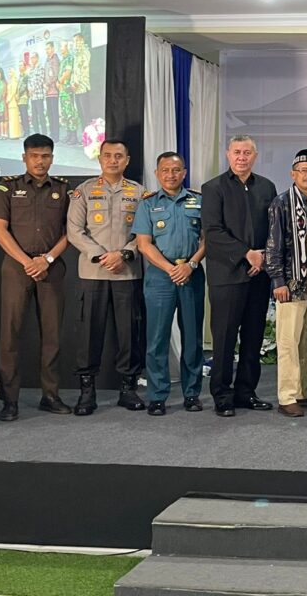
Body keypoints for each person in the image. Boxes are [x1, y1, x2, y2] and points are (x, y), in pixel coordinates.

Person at [0, 134, 73, 421]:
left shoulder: (63, 189)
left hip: (51, 267)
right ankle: (10, 400)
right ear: (24, 158)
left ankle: (51, 395)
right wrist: (28, 262)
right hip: (16, 266)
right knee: (10, 334)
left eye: (45, 156)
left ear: (52, 158)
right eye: (34, 156)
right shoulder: (7, 187)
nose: (40, 161)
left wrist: (46, 260)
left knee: (52, 334)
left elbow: (70, 232)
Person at [67, 139, 146, 415]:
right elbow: (74, 230)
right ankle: (87, 393)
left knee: (129, 334)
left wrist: (124, 254)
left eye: (119, 156)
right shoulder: (84, 191)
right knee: (89, 333)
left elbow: (145, 233)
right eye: (108, 155)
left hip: (127, 273)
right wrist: (102, 256)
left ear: (127, 160)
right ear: (100, 159)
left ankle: (128, 389)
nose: (113, 160)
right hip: (93, 273)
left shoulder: (139, 192)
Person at [201, 135, 277, 417]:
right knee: (224, 338)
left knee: (253, 337)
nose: (241, 157)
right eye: (237, 152)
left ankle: (246, 392)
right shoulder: (213, 188)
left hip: (259, 275)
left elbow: (274, 228)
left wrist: (263, 256)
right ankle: (222, 394)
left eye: (247, 152)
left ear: (255, 156)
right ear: (228, 154)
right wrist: (247, 254)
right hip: (227, 275)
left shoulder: (267, 187)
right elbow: (213, 231)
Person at [132, 152, 206, 416]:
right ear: (157, 173)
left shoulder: (199, 201)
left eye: (176, 170)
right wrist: (171, 269)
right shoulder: (148, 204)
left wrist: (191, 265)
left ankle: (192, 394)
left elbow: (207, 239)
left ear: (184, 172)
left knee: (193, 338)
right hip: (160, 278)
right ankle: (157, 396)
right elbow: (144, 244)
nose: (171, 175)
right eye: (165, 170)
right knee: (157, 339)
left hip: (192, 274)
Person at [266, 149, 307, 417]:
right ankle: (287, 396)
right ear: (293, 174)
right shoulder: (281, 203)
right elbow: (273, 245)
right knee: (288, 344)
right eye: (304, 171)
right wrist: (278, 280)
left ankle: (305, 390)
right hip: (290, 287)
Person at [58, 41, 80, 145]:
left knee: (70, 113)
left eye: (62, 47)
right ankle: (68, 134)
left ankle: (74, 136)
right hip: (62, 91)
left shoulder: (69, 58)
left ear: (66, 47)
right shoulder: (62, 60)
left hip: (67, 90)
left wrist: (59, 81)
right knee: (64, 113)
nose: (60, 49)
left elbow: (67, 72)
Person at [71, 32, 92, 131]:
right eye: (74, 41)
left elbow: (83, 69)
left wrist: (76, 83)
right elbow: (74, 71)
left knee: (86, 113)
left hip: (83, 87)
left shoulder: (85, 52)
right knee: (80, 114)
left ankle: (90, 135)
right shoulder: (76, 54)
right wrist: (72, 83)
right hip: (76, 89)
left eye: (77, 41)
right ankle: (85, 135)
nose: (75, 43)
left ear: (82, 40)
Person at [43, 41, 61, 137]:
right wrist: (44, 84)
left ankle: (56, 135)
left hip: (54, 91)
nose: (47, 50)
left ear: (53, 49)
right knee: (50, 114)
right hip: (47, 92)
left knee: (54, 114)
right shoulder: (46, 60)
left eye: (48, 48)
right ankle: (52, 133)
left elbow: (55, 74)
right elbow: (45, 75)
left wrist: (48, 84)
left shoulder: (55, 59)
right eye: (46, 49)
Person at [27, 52, 47, 135]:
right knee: (34, 117)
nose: (32, 60)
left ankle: (44, 133)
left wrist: (33, 88)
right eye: (31, 58)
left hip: (38, 95)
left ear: (37, 58)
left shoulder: (41, 67)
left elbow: (40, 80)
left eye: (33, 58)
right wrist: (29, 88)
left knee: (41, 115)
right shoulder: (31, 69)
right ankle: (37, 133)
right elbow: (29, 80)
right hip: (32, 97)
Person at [6, 67, 24, 140]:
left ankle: (16, 134)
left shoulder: (14, 81)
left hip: (13, 101)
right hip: (9, 101)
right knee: (11, 118)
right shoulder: (10, 81)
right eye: (8, 72)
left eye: (10, 72)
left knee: (14, 118)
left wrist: (9, 99)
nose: (9, 74)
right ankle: (12, 134)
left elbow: (13, 91)